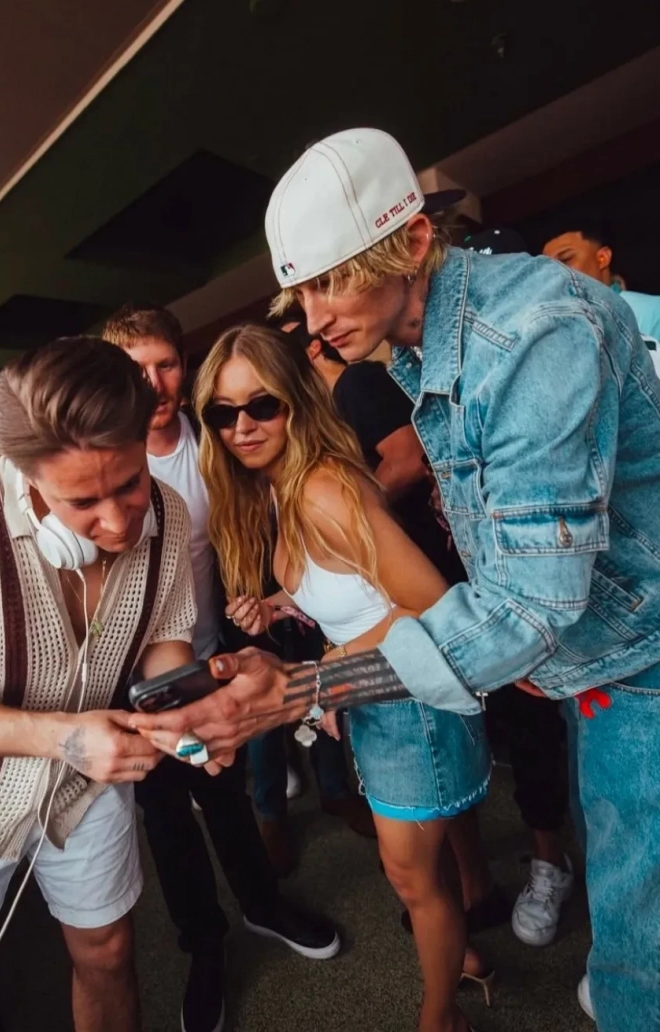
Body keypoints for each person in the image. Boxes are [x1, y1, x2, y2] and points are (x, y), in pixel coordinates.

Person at [132, 128, 660, 1032]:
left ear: (414, 241)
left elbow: (530, 606)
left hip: (641, 663)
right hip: (597, 658)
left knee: (635, 953)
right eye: (303, 291)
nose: (316, 315)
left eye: (334, 279)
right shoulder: (425, 349)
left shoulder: (529, 335)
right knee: (622, 897)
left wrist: (301, 689)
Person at [0, 337, 206, 1032]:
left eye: (130, 484)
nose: (118, 522)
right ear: (18, 471)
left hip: (84, 780)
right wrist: (64, 737)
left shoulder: (168, 514)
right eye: (82, 501)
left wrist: (188, 713)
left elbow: (165, 642)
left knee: (110, 951)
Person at [195, 323, 493, 1032]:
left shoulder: (324, 489)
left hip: (411, 705)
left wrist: (327, 664)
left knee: (411, 878)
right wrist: (280, 603)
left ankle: (441, 1016)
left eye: (260, 405)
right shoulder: (281, 487)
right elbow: (356, 589)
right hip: (377, 695)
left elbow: (433, 602)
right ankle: (461, 958)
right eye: (222, 413)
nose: (242, 427)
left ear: (295, 400)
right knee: (423, 872)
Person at [102, 304, 339, 1032]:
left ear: (185, 367)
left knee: (226, 791)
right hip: (136, 681)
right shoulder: (108, 464)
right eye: (136, 369)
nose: (154, 382)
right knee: (168, 816)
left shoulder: (217, 441)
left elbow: (256, 528)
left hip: (212, 655)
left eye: (166, 363)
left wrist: (260, 602)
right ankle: (204, 947)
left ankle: (262, 904)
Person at [464, 227, 575, 948]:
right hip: (490, 591)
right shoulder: (445, 375)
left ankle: (566, 865)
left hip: (576, 599)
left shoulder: (559, 340)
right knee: (527, 732)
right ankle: (550, 861)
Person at [542, 217, 660, 376]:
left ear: (602, 258)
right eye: (548, 267)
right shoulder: (553, 329)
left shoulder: (652, 311)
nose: (555, 273)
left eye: (566, 259)